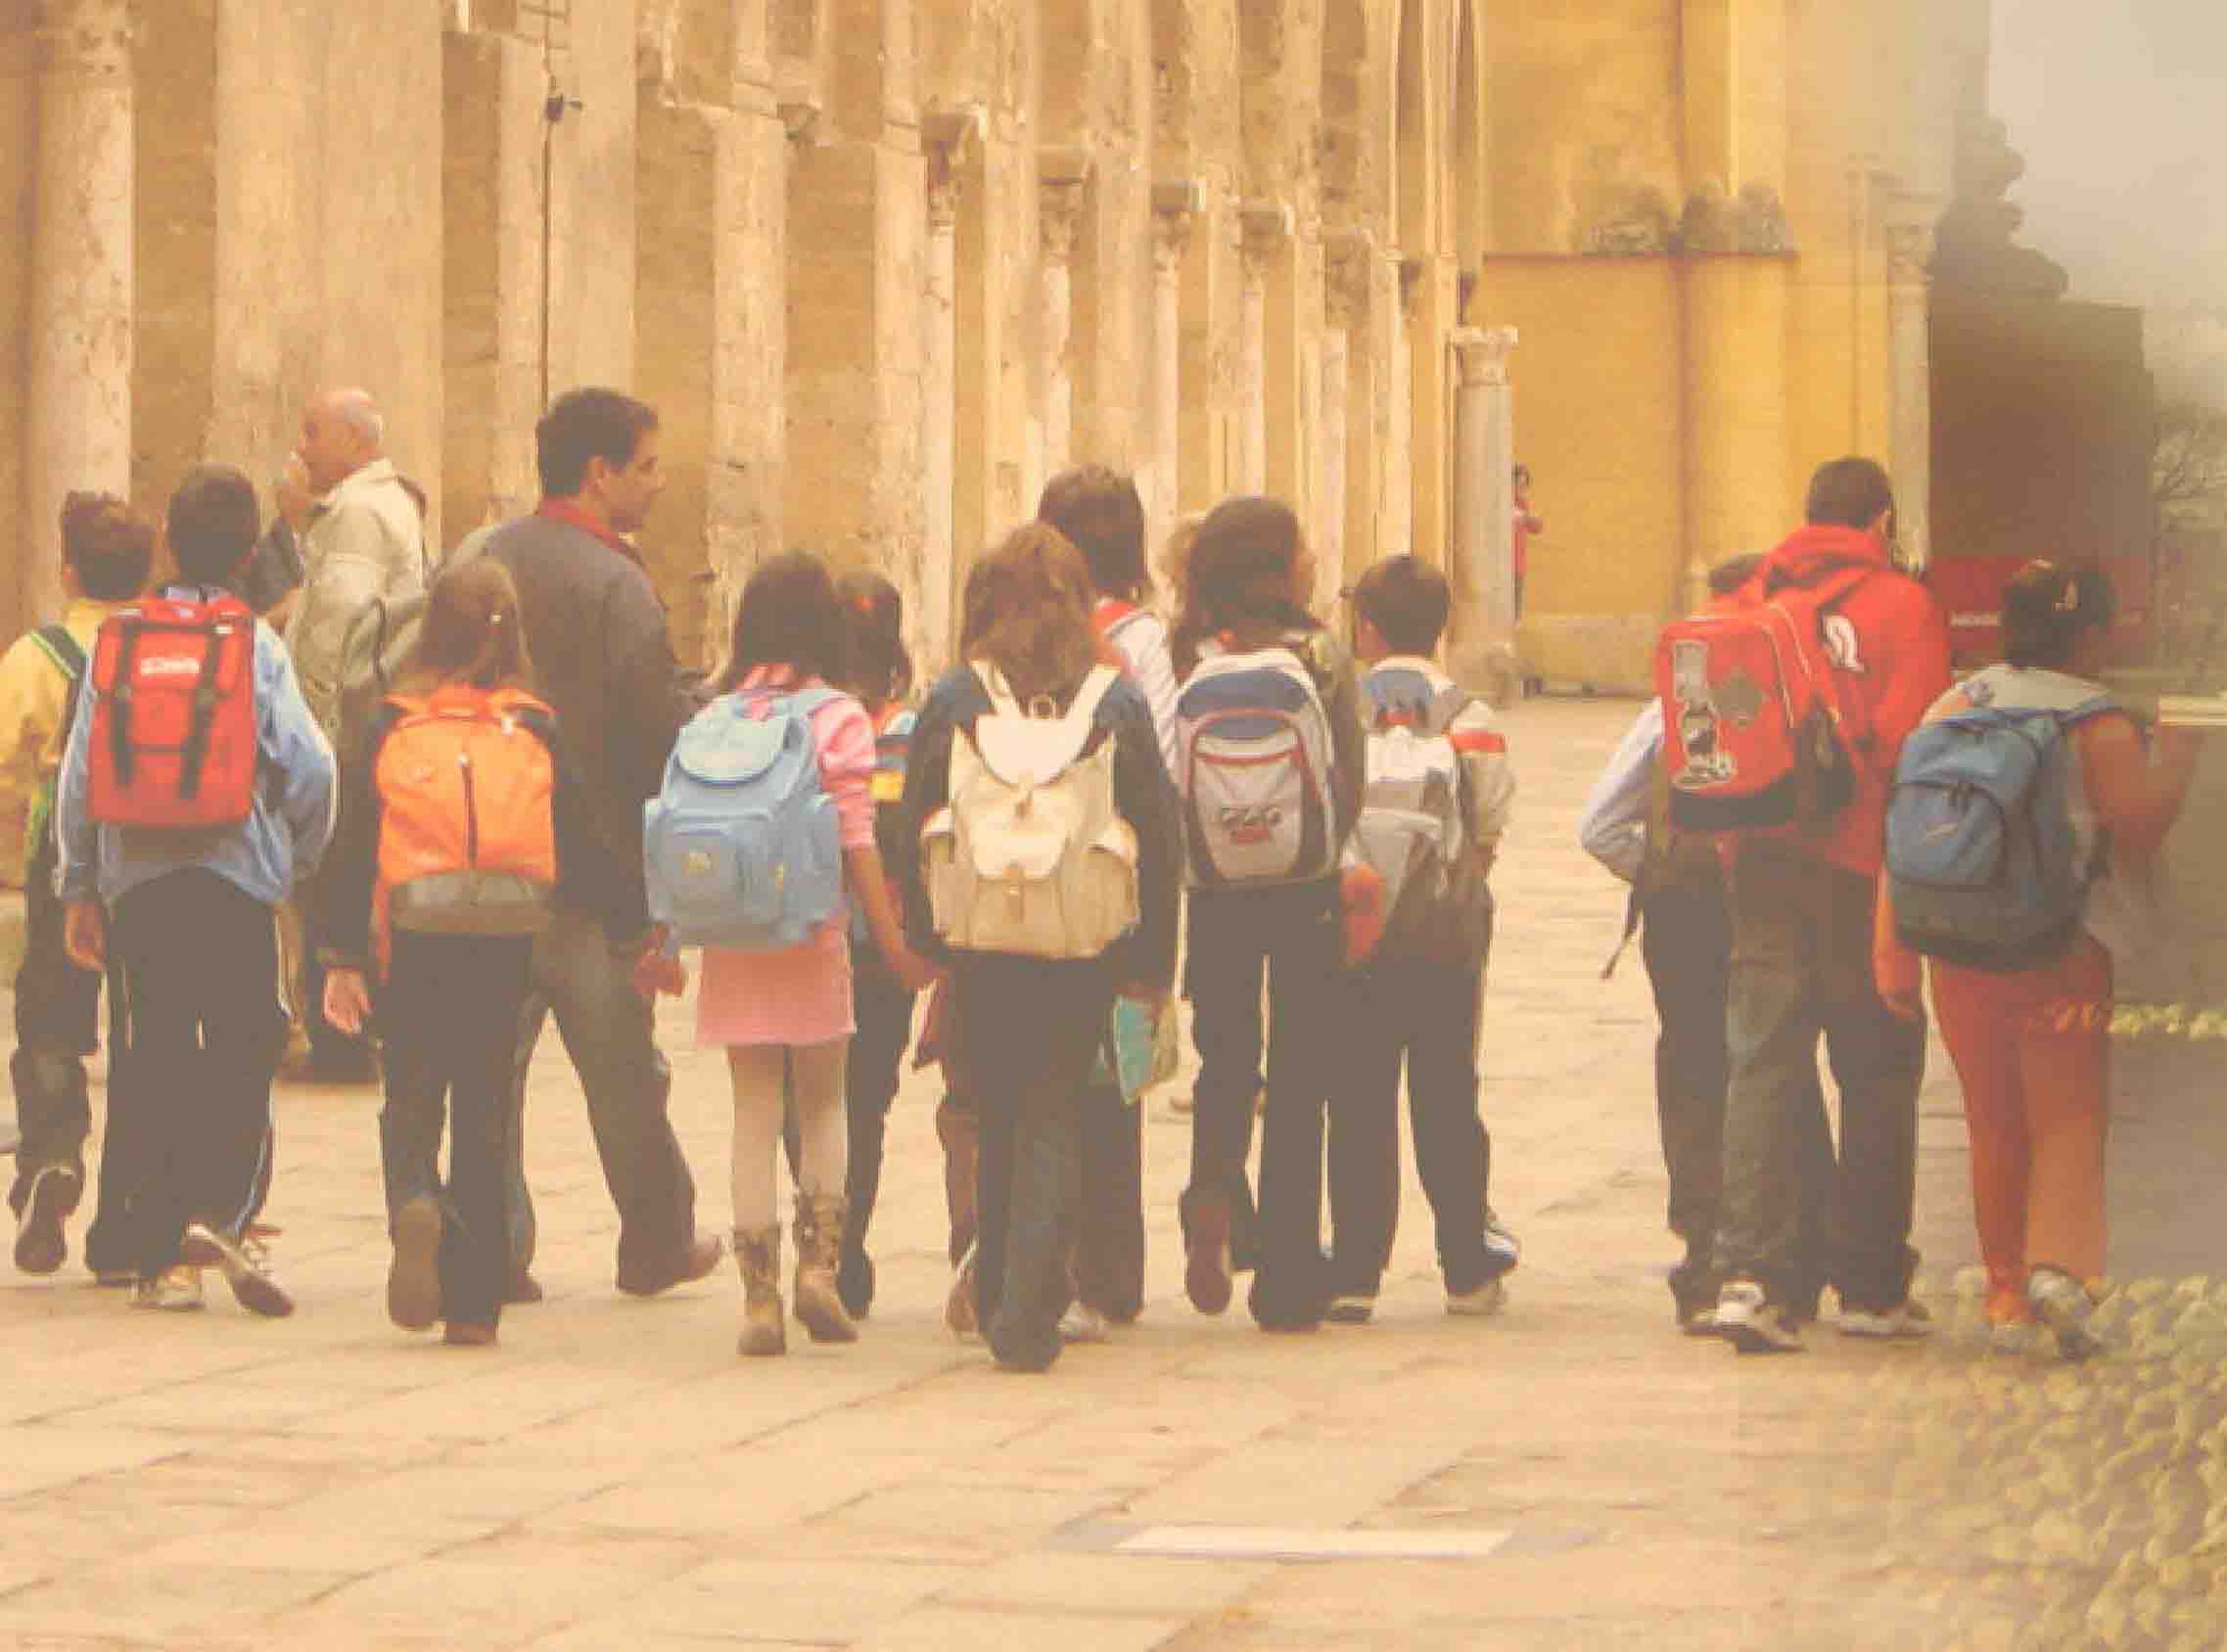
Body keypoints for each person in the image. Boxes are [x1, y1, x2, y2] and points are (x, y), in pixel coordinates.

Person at [1877, 564, 2201, 1358]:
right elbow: (2137, 826)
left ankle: (2004, 1294)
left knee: (1991, 1121)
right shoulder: (2098, 723)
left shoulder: (1953, 705)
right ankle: (2062, 1269)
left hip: (1955, 948)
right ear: (2090, 634)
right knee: (2067, 1115)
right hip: (2063, 949)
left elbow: (1906, 836)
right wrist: (2184, 745)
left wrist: (1890, 951)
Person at [896, 524, 1181, 1371]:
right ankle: (1028, 1304)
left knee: (995, 1110)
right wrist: (1152, 967)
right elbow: (1158, 841)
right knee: (1055, 1110)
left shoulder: (954, 698)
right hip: (1080, 939)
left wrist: (924, 936)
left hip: (980, 938)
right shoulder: (1114, 702)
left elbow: (913, 820)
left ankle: (995, 1296)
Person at [54, 464, 337, 1316]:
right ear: (252, 552)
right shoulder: (256, 644)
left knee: (153, 1059)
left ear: (167, 543)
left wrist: (79, 885)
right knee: (248, 1047)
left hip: (138, 881)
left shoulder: (120, 640)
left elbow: (78, 777)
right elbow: (312, 766)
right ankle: (225, 1213)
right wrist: (298, 856)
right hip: (237, 876)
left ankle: (157, 1260)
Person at [315, 560, 615, 1347]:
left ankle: (415, 1197)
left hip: (413, 933)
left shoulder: (390, 720)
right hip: (507, 933)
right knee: (487, 1106)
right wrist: (633, 925)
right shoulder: (535, 722)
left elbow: (351, 846)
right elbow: (581, 833)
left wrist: (339, 953)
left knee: (413, 1089)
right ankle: (475, 1304)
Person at [480, 388, 723, 1301]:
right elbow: (648, 731)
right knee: (623, 1071)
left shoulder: (484, 557)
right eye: (648, 465)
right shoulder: (618, 583)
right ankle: (654, 1239)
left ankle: (494, 1247)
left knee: (489, 1072)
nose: (659, 484)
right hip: (594, 871)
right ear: (600, 473)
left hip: (489, 853)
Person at [1706, 457, 1951, 1354]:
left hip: (1762, 862)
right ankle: (1872, 1284)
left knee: (1762, 1064)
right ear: (1882, 520)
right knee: (1878, 1068)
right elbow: (1914, 749)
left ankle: (1753, 1276)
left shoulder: (1750, 602)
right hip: (1860, 867)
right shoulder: (1900, 606)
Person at [1578, 554, 1837, 1334]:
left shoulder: (1665, 710)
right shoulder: (1790, 692)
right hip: (1767, 901)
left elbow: (1597, 827)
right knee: (1772, 1066)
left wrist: (1658, 874)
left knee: (1691, 1072)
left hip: (1678, 913)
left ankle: (1701, 1259)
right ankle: (1790, 1252)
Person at [688, 551, 936, 1357]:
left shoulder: (717, 710)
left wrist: (663, 937)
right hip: (813, 931)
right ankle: (818, 1272)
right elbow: (858, 838)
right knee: (825, 1103)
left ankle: (757, 1295)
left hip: (733, 938)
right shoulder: (838, 715)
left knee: (754, 1111)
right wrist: (895, 943)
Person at [1170, 496, 1366, 1332]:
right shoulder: (1319, 650)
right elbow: (1346, 773)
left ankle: (1214, 1193)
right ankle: (1287, 1271)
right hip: (1302, 886)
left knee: (1225, 1061)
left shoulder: (1190, 647)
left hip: (1212, 886)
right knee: (1299, 1073)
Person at [1322, 555, 1517, 1323]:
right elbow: (1489, 825)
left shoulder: (1340, 706)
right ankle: (1465, 1266)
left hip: (1356, 927)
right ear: (1441, 629)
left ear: (1365, 627)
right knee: (1445, 1093)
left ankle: (1355, 1272)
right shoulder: (1469, 716)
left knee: (1359, 1096)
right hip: (1444, 934)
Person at [1038, 465, 1174, 1342]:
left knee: (1035, 1074)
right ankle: (1110, 1270)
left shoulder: (1016, 636)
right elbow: (1157, 762)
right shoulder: (1143, 641)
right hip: (1114, 878)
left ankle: (1031, 1255)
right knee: (1108, 1082)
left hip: (1027, 877)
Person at [2, 493, 149, 1279]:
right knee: (143, 1035)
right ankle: (129, 1212)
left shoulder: (42, 653)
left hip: (61, 860)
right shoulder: (168, 646)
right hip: (156, 863)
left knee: (52, 1020)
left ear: (68, 572)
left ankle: (52, 1158)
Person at [285, 390, 429, 1080]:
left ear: (352, 438)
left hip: (346, 729)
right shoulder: (384, 503)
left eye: (313, 432)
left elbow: (331, 636)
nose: (303, 447)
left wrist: (306, 734)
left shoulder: (357, 513)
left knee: (331, 882)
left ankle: (338, 1033)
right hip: (379, 720)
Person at [802, 568, 924, 1322]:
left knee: (804, 1099)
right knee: (864, 1106)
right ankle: (845, 1249)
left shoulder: (803, 718)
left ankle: (815, 1232)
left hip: (805, 938)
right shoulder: (912, 729)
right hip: (884, 946)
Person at [1511, 464, 1543, 623]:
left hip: (1518, 562)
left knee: (1516, 614)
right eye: (1518, 484)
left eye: (1524, 485)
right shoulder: (1503, 503)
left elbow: (1534, 527)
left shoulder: (1523, 504)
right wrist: (1525, 519)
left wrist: (1534, 522)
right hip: (1504, 564)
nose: (1521, 488)